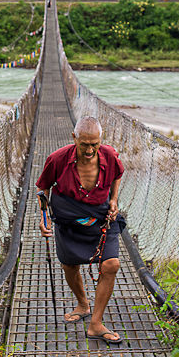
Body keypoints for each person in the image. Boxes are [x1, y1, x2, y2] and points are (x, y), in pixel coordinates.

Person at [36, 115, 125, 344]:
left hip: (101, 216)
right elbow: (43, 188)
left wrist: (114, 200)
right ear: (73, 137)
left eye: (94, 144)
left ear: (100, 140)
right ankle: (83, 304)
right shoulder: (56, 159)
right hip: (68, 216)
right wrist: (43, 218)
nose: (89, 150)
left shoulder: (110, 156)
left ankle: (96, 323)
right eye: (84, 144)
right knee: (69, 264)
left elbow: (117, 175)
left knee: (111, 264)